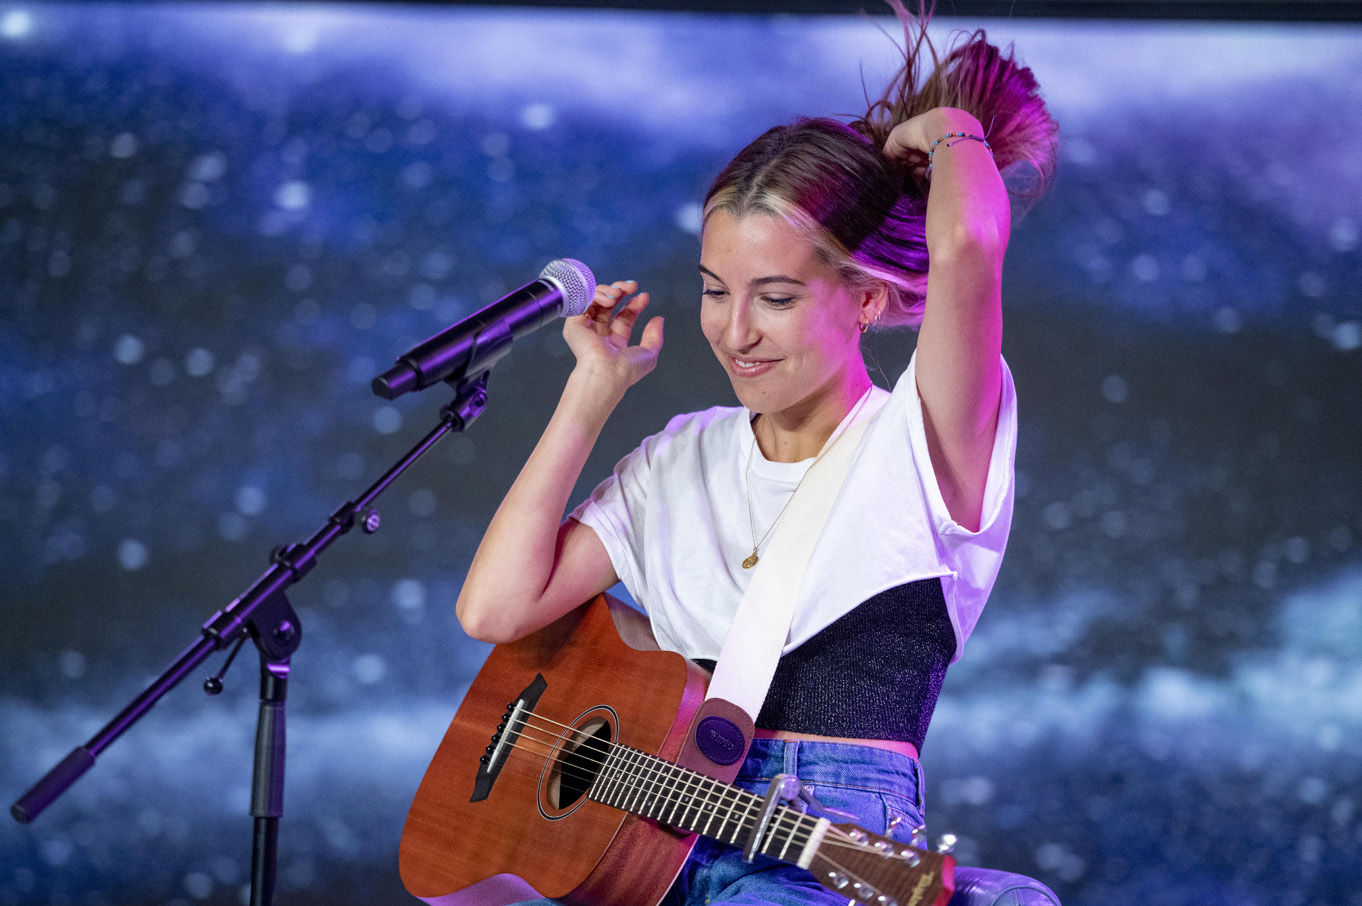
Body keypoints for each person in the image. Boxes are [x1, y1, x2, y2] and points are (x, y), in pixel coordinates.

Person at [455, 3, 1058, 903]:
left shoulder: (923, 440)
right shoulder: (681, 457)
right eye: (714, 291)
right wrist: (590, 393)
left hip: (827, 855)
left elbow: (969, 241)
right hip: (644, 850)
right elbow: (496, 609)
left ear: (862, 297)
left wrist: (945, 130)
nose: (734, 332)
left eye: (774, 297)